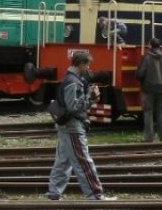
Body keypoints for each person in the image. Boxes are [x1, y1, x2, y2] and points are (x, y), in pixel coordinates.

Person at [46, 51, 115, 201]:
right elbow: (73, 107)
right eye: (88, 65)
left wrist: (88, 96)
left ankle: (53, 193)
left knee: (63, 162)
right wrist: (91, 98)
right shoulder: (73, 82)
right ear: (82, 64)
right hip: (73, 127)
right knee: (83, 161)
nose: (89, 68)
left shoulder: (69, 79)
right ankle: (95, 196)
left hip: (66, 126)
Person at [136, 37, 162, 143]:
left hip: (148, 89)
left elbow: (140, 74)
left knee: (148, 112)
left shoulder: (146, 57)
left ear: (150, 46)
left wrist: (139, 79)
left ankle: (149, 137)